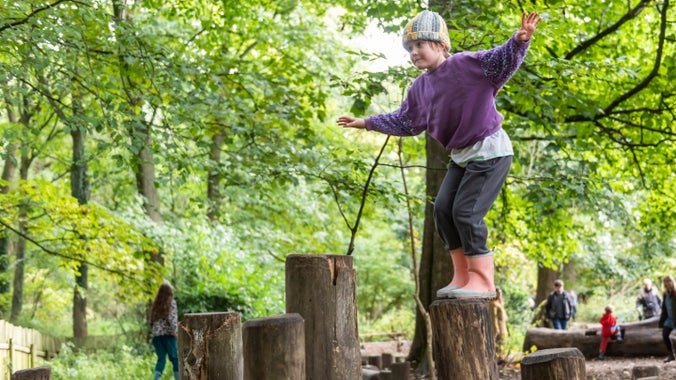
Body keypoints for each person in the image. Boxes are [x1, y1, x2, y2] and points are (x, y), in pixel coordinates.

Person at [338, 10, 541, 299]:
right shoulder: (420, 87)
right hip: (462, 155)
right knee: (443, 210)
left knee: (466, 212)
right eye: (409, 48)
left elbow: (502, 61)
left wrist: (519, 41)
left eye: (420, 45)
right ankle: (462, 275)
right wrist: (366, 123)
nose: (414, 52)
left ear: (441, 45)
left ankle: (483, 281)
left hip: (490, 151)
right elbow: (405, 122)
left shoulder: (465, 65)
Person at [151, 282, 179, 380]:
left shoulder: (156, 304)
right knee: (175, 358)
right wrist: (176, 332)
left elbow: (152, 321)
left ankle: (156, 378)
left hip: (156, 337)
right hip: (168, 336)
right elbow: (172, 319)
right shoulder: (171, 302)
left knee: (161, 359)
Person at [659, 275, 676, 363]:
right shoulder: (665, 294)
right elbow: (664, 308)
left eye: (669, 281)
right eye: (666, 282)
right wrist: (661, 321)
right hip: (669, 319)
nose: (668, 283)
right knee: (665, 334)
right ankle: (671, 354)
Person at [490, 288, 509, 361]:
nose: (499, 294)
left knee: (502, 348)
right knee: (498, 348)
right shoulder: (493, 304)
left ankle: (501, 360)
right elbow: (493, 318)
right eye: (497, 293)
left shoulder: (499, 303)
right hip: (499, 330)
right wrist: (496, 331)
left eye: (500, 293)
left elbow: (504, 319)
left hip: (503, 329)